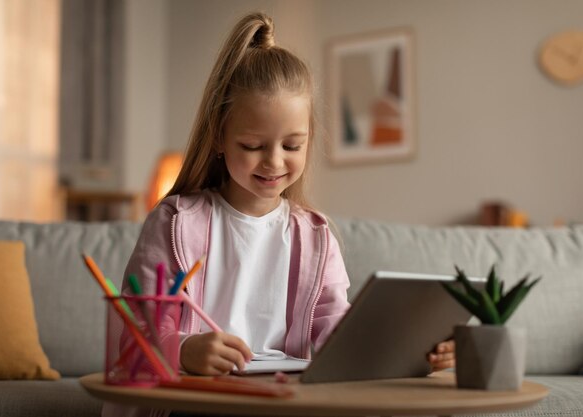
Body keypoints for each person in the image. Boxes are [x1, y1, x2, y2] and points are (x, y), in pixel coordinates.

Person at [103, 11, 453, 417]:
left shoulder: (316, 238)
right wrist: (183, 350)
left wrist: (412, 354)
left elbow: (335, 342)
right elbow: (131, 336)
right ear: (219, 136)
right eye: (253, 145)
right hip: (192, 400)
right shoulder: (176, 222)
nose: (273, 162)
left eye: (292, 145)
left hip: (282, 405)